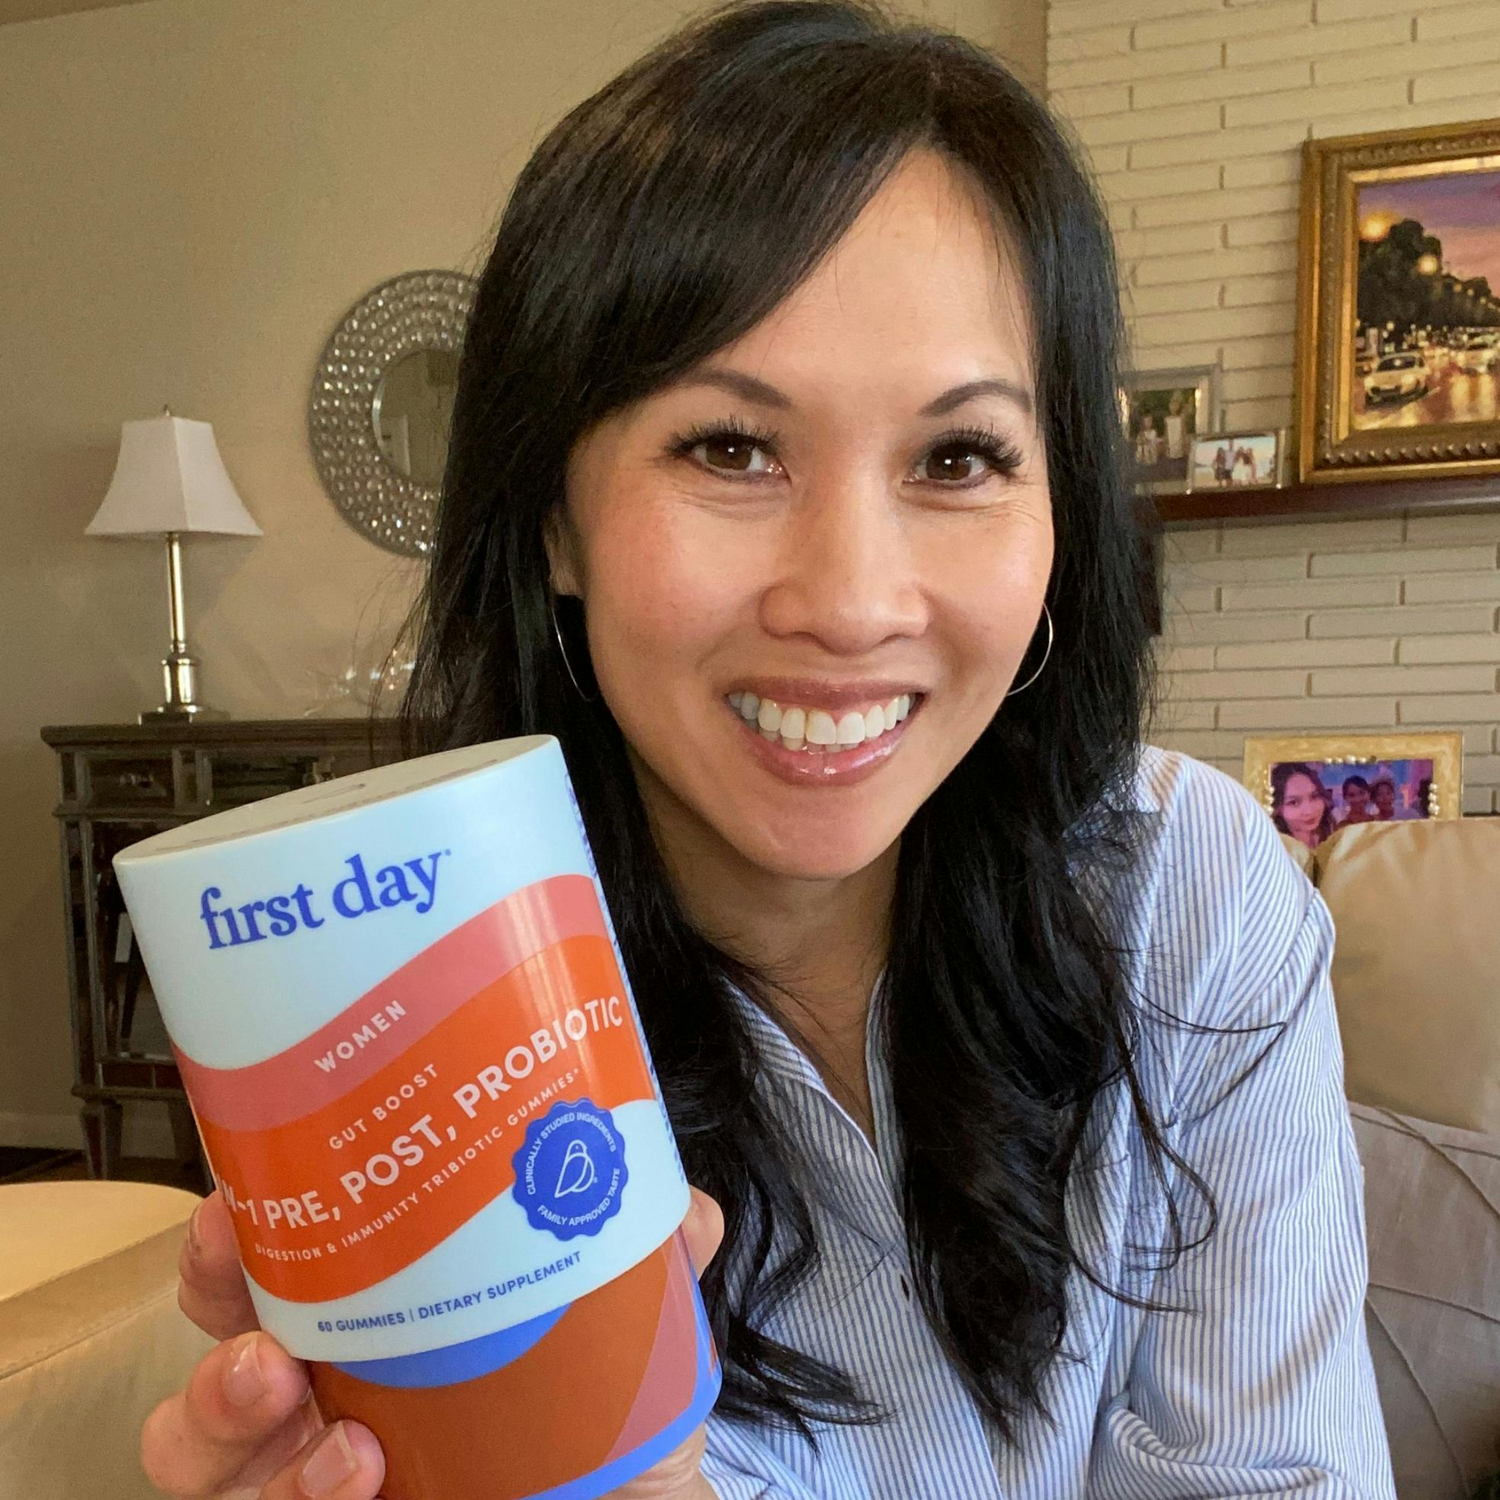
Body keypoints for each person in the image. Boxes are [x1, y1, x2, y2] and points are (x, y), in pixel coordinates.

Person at [144, 5, 1395, 1499]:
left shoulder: (1189, 896)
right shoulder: (424, 1033)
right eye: (730, 447)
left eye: (960, 457)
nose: (854, 602)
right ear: (554, 517)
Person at [1272, 762, 1336, 850]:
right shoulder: (1274, 848)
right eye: (1293, 802)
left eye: (1315, 796)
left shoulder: (1334, 838)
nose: (1308, 811)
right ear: (1277, 808)